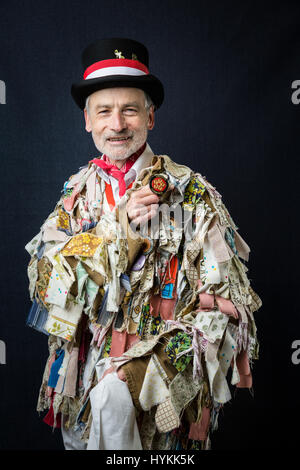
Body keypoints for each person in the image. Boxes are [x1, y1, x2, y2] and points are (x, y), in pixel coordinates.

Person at [25, 38, 262, 451]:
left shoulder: (194, 196)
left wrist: (142, 374)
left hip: (157, 403)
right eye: (104, 111)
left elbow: (231, 315)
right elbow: (48, 290)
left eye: (130, 110)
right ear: (88, 120)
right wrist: (121, 231)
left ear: (150, 117)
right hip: (79, 393)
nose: (117, 124)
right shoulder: (74, 195)